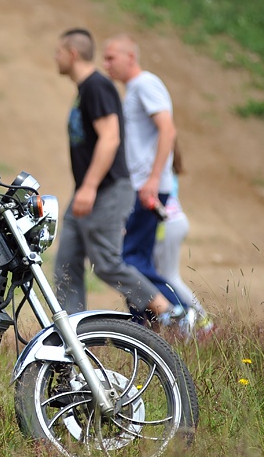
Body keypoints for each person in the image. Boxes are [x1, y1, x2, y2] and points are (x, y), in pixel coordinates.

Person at [51, 28, 188, 329]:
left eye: (58, 52)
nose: (55, 57)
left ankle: (168, 313)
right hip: (87, 191)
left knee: (108, 264)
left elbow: (110, 138)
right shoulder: (85, 89)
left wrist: (89, 187)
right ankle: (71, 334)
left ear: (72, 54)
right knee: (65, 265)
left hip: (107, 189)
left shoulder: (96, 87)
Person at [103, 34, 193, 328]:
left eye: (111, 57)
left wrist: (153, 180)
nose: (106, 65)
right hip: (138, 188)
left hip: (148, 189)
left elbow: (168, 130)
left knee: (129, 260)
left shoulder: (146, 84)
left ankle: (181, 314)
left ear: (131, 57)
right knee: (134, 258)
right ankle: (144, 328)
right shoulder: (132, 91)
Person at [153, 145, 215, 336]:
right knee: (163, 276)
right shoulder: (168, 164)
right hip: (174, 222)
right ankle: (188, 321)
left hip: (167, 224)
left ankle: (203, 321)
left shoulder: (158, 164)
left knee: (169, 277)